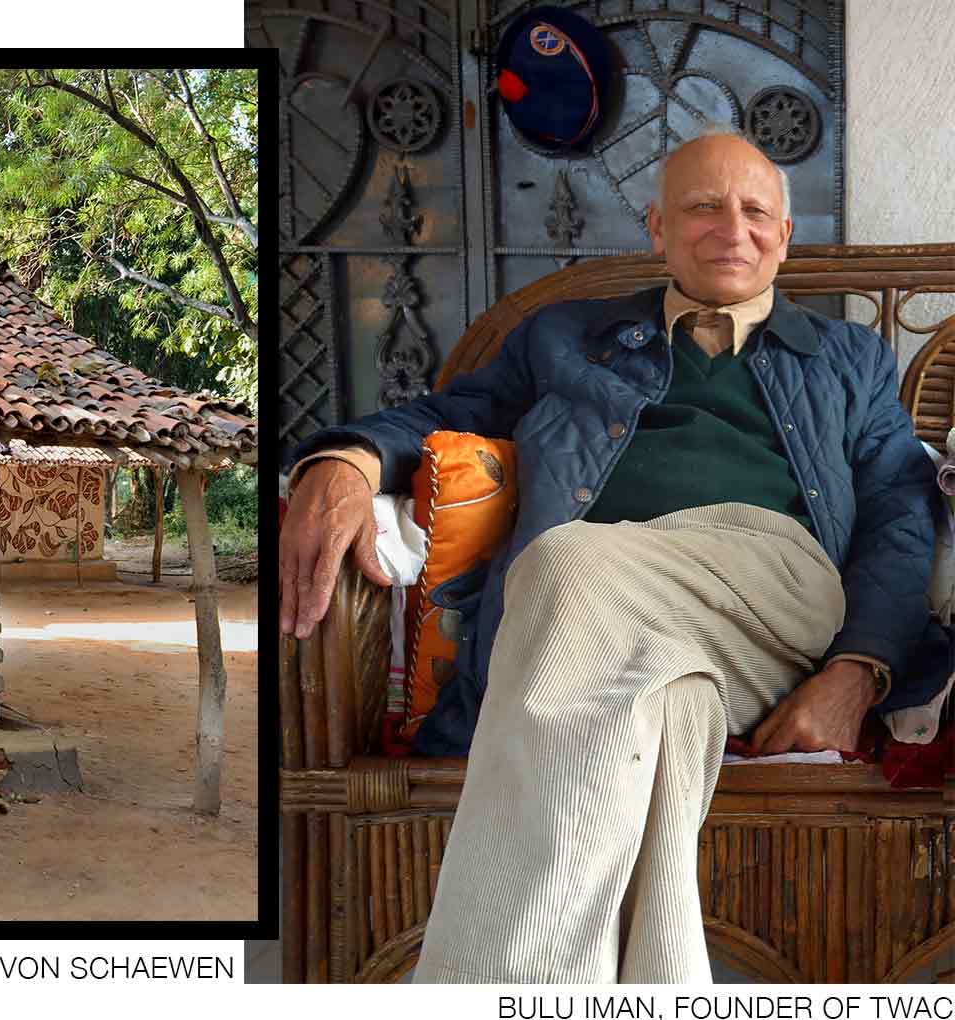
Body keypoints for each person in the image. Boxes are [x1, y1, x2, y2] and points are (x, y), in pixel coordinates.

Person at [279, 128, 949, 982]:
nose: (730, 229)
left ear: (784, 236)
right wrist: (347, 458)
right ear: (657, 226)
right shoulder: (563, 336)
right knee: (661, 714)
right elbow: (443, 414)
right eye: (703, 207)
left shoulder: (849, 359)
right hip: (611, 634)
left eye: (754, 212)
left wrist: (858, 670)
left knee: (561, 563)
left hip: (771, 593)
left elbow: (899, 515)